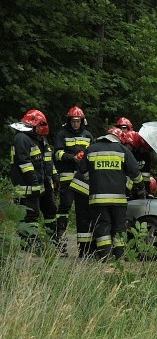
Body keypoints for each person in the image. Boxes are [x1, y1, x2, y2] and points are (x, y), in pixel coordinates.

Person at [77, 127, 144, 260]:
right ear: (118, 139)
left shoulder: (91, 149)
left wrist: (95, 178)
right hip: (118, 199)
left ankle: (104, 256)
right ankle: (119, 256)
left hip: (98, 199)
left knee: (102, 226)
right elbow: (135, 173)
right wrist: (141, 187)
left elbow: (83, 171)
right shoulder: (123, 150)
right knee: (119, 226)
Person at [9, 109, 60, 253]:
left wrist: (54, 177)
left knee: (50, 211)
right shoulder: (21, 139)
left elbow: (48, 161)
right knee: (31, 215)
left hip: (42, 185)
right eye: (39, 125)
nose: (41, 128)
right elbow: (23, 163)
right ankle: (30, 244)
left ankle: (54, 241)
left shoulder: (39, 139)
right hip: (27, 187)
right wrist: (34, 181)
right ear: (32, 124)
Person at [53, 105, 93, 246]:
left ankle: (84, 244)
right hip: (67, 177)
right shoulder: (62, 134)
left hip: (82, 178)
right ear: (69, 121)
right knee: (65, 206)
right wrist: (72, 158)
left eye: (78, 121)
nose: (75, 124)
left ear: (82, 121)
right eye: (73, 121)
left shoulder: (88, 135)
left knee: (83, 209)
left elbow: (91, 155)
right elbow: (57, 154)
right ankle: (59, 237)